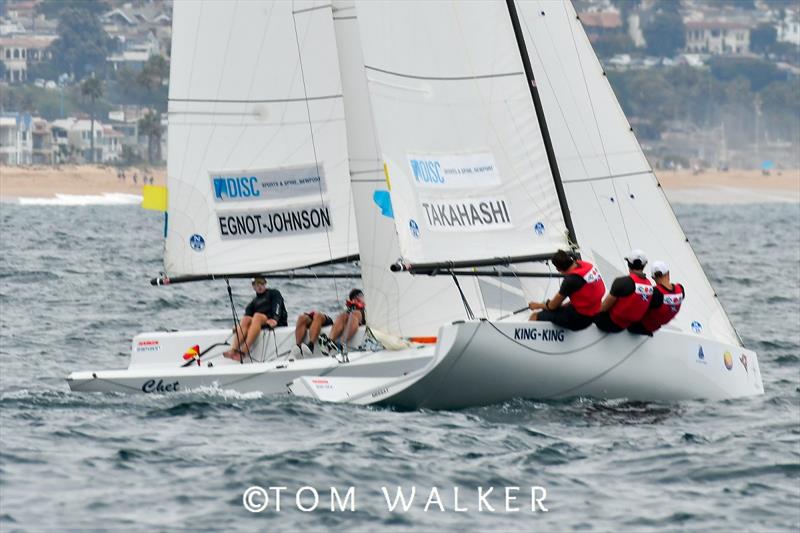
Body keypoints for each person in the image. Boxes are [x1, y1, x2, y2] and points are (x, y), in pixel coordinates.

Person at [528, 250, 605, 331]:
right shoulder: (586, 265)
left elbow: (552, 306)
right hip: (595, 309)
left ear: (558, 269)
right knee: (557, 308)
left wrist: (537, 305)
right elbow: (586, 292)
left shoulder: (571, 280)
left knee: (535, 316)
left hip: (581, 320)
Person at [223, 276, 287, 361]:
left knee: (257, 316)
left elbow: (278, 305)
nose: (260, 286)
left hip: (275, 321)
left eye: (262, 283)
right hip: (260, 323)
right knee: (246, 319)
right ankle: (233, 349)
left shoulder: (274, 293)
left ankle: (243, 352)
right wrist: (239, 327)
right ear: (253, 287)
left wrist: (275, 318)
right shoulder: (253, 302)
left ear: (265, 284)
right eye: (257, 284)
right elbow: (246, 318)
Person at [594, 249, 654, 333]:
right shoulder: (649, 286)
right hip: (626, 325)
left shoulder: (622, 282)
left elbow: (603, 308)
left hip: (609, 324)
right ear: (644, 265)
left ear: (629, 264)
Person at [627, 261, 685, 336]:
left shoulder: (655, 293)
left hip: (640, 327)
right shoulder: (680, 289)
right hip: (656, 326)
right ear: (668, 273)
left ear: (653, 278)